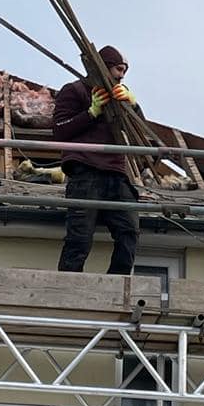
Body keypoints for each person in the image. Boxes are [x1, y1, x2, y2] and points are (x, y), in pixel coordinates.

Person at [53, 45, 139, 275]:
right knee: (79, 238)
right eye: (118, 69)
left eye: (124, 71)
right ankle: (69, 287)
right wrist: (91, 113)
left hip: (116, 173)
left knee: (129, 232)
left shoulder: (120, 98)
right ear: (103, 66)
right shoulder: (75, 90)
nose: (121, 76)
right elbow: (60, 131)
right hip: (85, 171)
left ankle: (117, 284)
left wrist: (133, 106)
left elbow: (138, 132)